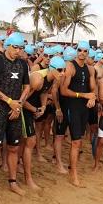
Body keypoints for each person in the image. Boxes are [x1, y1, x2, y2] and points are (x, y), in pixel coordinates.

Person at [0, 33, 30, 200]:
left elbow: (27, 86)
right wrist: (9, 101)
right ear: (7, 46)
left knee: (13, 147)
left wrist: (18, 104)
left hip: (16, 109)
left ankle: (12, 181)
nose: (18, 51)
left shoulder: (23, 64)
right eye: (15, 47)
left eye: (21, 48)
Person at [21, 56, 66, 189]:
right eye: (60, 70)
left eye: (64, 70)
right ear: (51, 69)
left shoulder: (52, 79)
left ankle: (20, 166)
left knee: (25, 142)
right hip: (22, 109)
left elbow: (44, 93)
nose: (62, 73)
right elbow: (21, 100)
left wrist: (44, 107)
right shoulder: (38, 79)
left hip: (31, 108)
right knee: (30, 141)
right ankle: (28, 178)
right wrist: (35, 109)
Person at [60, 41, 96, 187]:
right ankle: (73, 173)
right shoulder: (70, 66)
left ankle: (72, 168)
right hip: (72, 106)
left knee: (79, 140)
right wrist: (84, 95)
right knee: (75, 141)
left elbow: (93, 89)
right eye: (79, 50)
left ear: (88, 53)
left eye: (85, 51)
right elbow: (64, 90)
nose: (82, 53)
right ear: (76, 51)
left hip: (84, 108)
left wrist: (92, 97)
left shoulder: (90, 69)